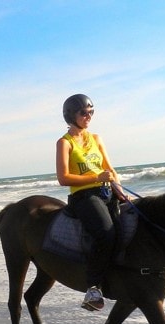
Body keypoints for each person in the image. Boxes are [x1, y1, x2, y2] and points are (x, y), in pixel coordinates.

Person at [55, 94, 124, 311]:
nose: (89, 116)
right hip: (83, 196)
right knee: (106, 233)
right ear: (71, 115)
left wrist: (120, 190)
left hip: (106, 191)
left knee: (131, 225)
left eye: (91, 112)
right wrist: (96, 177)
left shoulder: (96, 138)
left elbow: (110, 169)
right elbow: (63, 178)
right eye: (83, 113)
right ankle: (93, 288)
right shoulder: (64, 143)